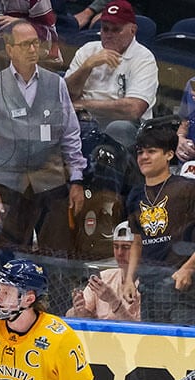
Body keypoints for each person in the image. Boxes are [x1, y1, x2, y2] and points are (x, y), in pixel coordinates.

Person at [0, 20, 86, 258]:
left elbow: (70, 135)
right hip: (9, 184)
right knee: (7, 256)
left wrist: (77, 180)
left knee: (58, 254)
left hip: (50, 183)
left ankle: (56, 295)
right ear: (9, 49)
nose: (32, 50)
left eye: (35, 43)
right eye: (25, 45)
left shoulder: (56, 83)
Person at [120, 123, 195, 324]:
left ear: (169, 155)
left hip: (181, 288)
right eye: (140, 152)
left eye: (152, 151)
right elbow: (137, 241)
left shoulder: (187, 188)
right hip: (148, 285)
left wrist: (188, 268)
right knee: (153, 349)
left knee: (183, 349)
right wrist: (129, 279)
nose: (144, 157)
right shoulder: (135, 195)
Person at [64, 0, 158, 150]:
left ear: (133, 30)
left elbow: (133, 109)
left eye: (116, 30)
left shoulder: (144, 58)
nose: (108, 35)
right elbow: (66, 96)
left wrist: (84, 104)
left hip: (126, 126)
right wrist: (87, 67)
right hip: (84, 120)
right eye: (105, 29)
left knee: (118, 127)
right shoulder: (87, 51)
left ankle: (107, 173)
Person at [67, 221, 141, 321]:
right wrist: (79, 311)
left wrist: (113, 301)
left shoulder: (146, 286)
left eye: (126, 247)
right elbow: (70, 316)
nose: (119, 253)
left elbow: (139, 331)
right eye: (116, 247)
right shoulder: (105, 277)